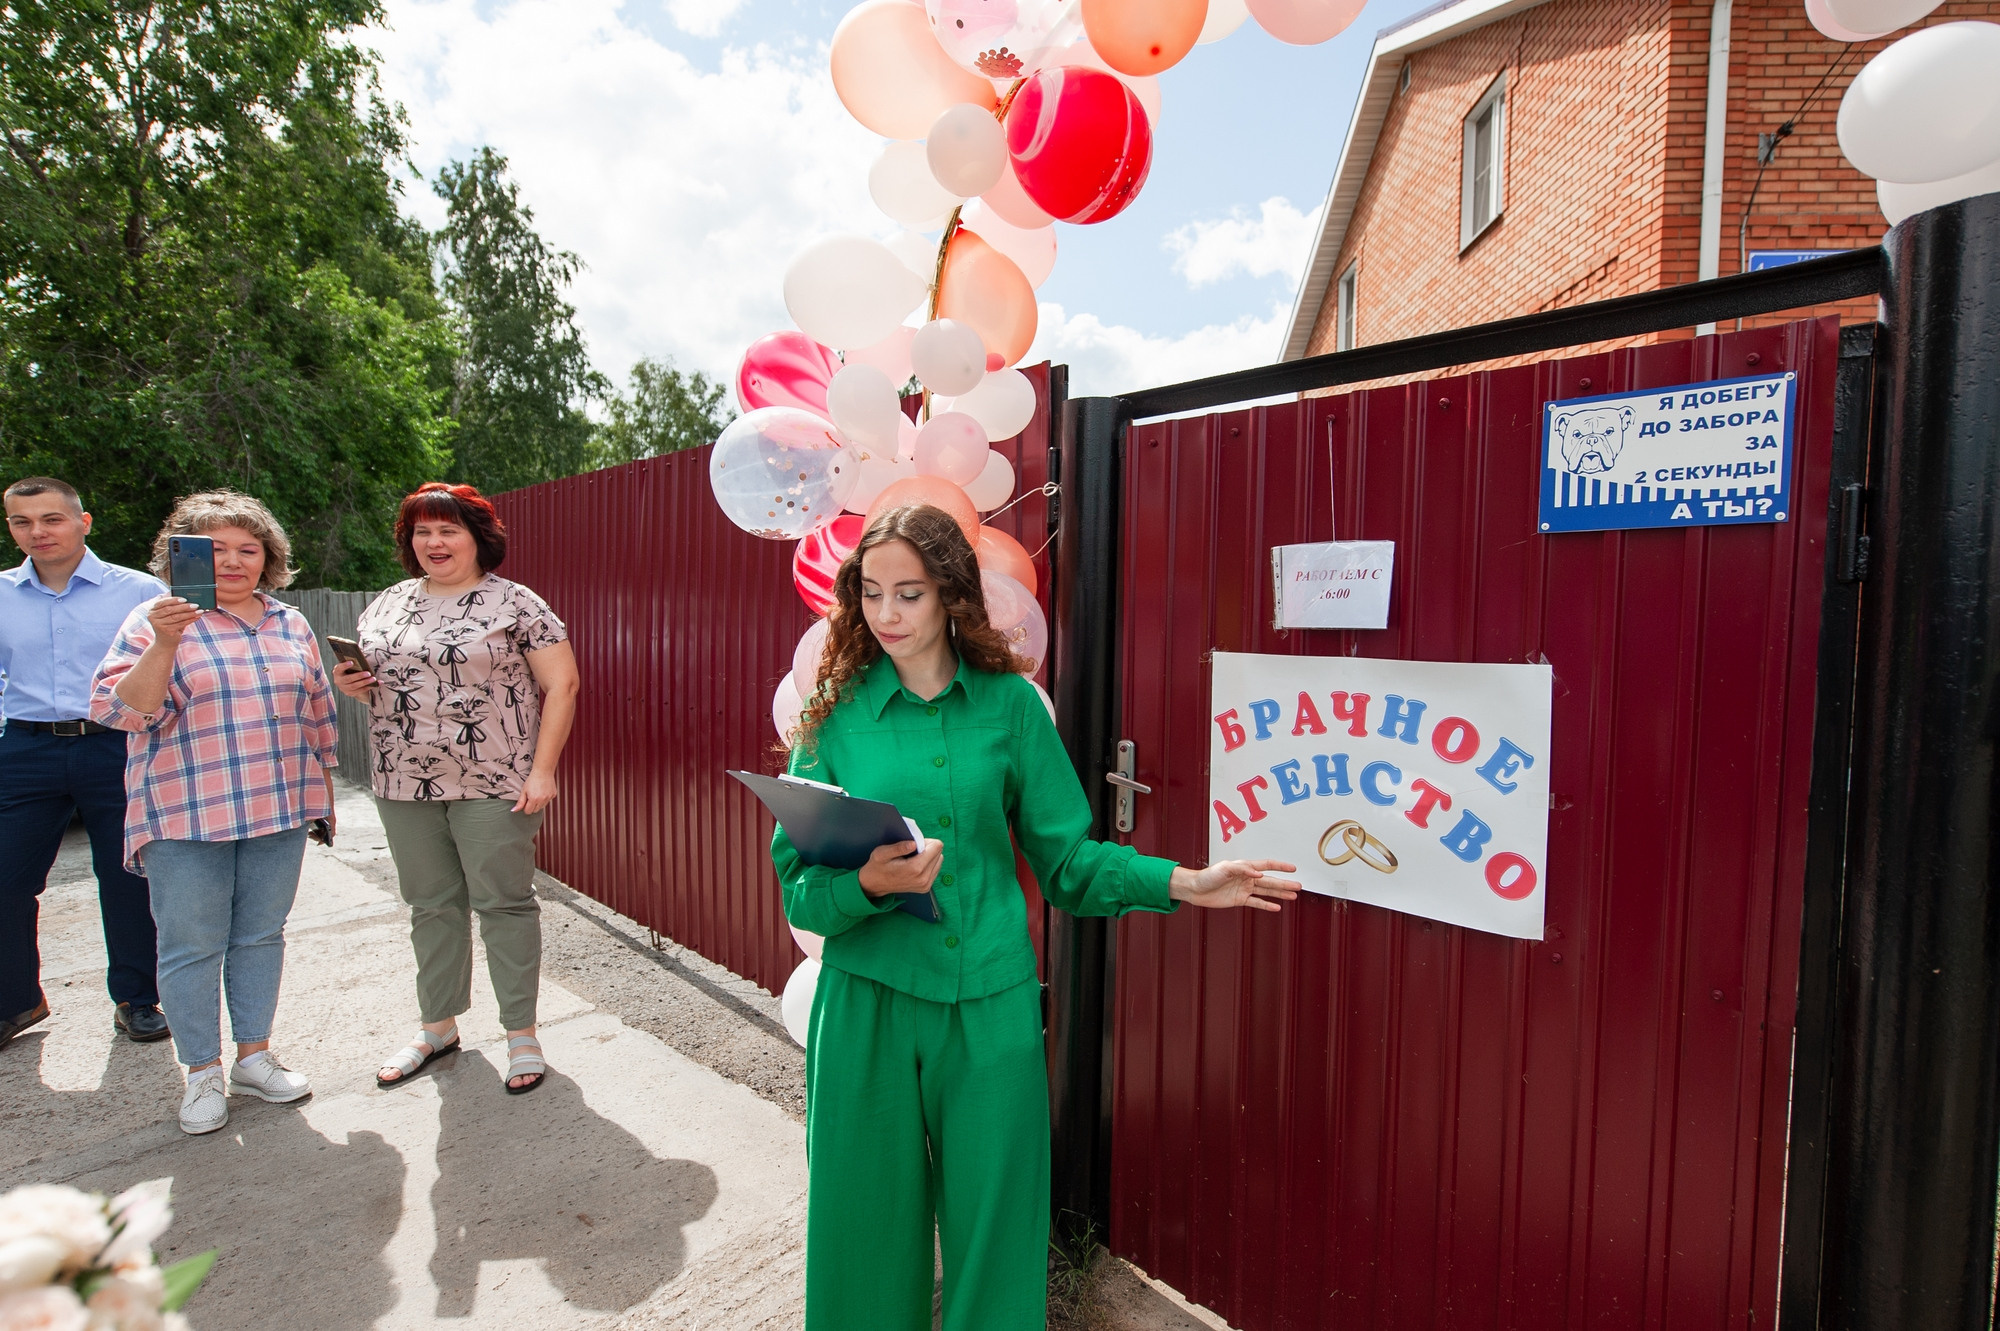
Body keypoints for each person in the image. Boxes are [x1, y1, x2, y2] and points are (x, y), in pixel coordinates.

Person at [773, 503, 1301, 1331]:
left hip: (989, 1007)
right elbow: (799, 884)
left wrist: (1186, 882)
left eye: (908, 593)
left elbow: (1069, 860)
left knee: (998, 1235)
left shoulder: (1012, 708)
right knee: (861, 1235)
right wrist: (866, 885)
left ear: (951, 593)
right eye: (871, 593)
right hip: (865, 1004)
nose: (886, 614)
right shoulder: (833, 713)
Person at [91, 490, 339, 1135]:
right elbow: (120, 711)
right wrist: (166, 643)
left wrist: (320, 796)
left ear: (269, 558)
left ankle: (253, 1058)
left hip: (277, 806)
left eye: (247, 549)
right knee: (190, 946)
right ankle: (201, 1071)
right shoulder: (155, 618)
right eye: (214, 549)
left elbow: (316, 712)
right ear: (182, 555)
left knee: (260, 935)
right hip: (185, 811)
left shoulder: (289, 622)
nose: (232, 562)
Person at [331, 483, 578, 1096]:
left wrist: (542, 770)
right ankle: (437, 1027)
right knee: (430, 905)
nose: (434, 543)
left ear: (477, 538)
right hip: (402, 779)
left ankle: (522, 1033)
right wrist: (353, 684)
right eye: (422, 532)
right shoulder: (386, 605)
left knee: (503, 904)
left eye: (448, 530)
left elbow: (564, 686)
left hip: (496, 779)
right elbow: (380, 683)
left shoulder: (516, 604)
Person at [0, 477, 172, 1050]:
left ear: (84, 522)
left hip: (114, 743)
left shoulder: (139, 590)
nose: (37, 532)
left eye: (51, 519)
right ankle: (17, 1001)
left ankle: (138, 1000)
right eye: (22, 522)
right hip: (25, 748)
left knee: (125, 877)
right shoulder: (0, 592)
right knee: (6, 880)